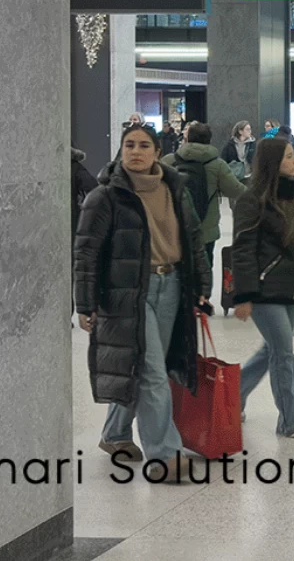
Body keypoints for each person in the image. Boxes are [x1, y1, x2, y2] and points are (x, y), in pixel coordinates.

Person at [74, 122, 212, 478]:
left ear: (157, 152)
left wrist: (203, 286)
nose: (136, 151)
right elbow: (86, 252)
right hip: (127, 294)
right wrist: (85, 303)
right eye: (129, 145)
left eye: (144, 145)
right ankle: (164, 456)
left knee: (147, 367)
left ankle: (115, 433)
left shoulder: (175, 189)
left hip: (172, 285)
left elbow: (193, 240)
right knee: (152, 373)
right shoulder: (105, 196)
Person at [230, 137, 294, 438]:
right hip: (264, 290)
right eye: (288, 156)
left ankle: (233, 395)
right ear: (273, 162)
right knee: (284, 352)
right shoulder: (251, 199)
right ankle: (293, 420)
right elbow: (242, 250)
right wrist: (244, 295)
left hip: (291, 288)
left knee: (271, 350)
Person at [162, 122, 246, 300]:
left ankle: (180, 301)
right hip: (206, 230)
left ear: (187, 138)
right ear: (209, 140)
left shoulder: (170, 161)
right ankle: (201, 300)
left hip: (174, 227)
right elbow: (235, 191)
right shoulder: (217, 165)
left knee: (178, 267)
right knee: (204, 268)